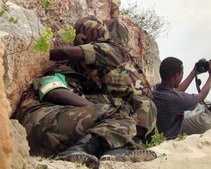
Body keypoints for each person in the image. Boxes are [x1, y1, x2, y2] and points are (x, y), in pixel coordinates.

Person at [12, 65, 156, 169]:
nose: (79, 85)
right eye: (76, 80)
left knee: (116, 116)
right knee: (114, 113)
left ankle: (111, 150)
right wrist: (98, 109)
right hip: (41, 122)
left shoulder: (74, 98)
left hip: (48, 136)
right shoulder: (52, 77)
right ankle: (82, 148)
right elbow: (54, 92)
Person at [49, 15, 157, 144]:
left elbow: (67, 52)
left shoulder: (105, 48)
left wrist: (42, 54)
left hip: (128, 107)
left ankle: (118, 139)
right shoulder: (122, 54)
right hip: (141, 114)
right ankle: (132, 141)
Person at [152, 56, 211, 140]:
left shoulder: (155, 89)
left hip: (154, 133)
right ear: (176, 76)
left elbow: (177, 91)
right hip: (167, 140)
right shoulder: (175, 99)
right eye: (182, 73)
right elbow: (201, 97)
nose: (182, 75)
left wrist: (194, 72)